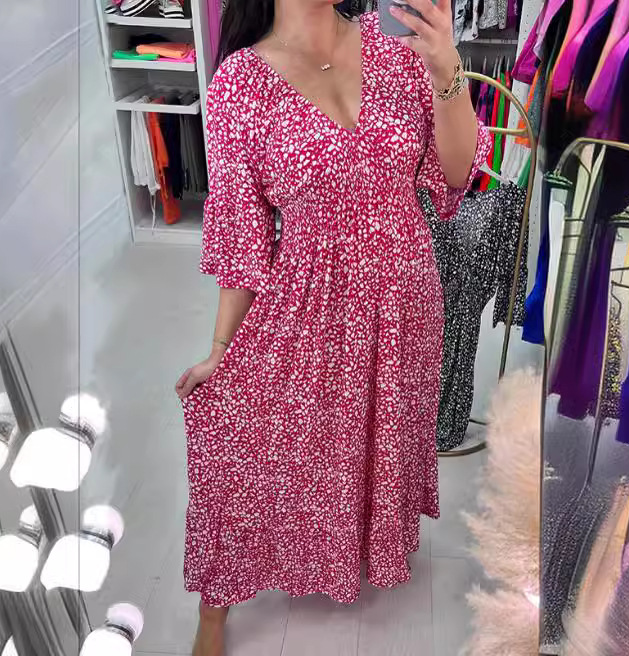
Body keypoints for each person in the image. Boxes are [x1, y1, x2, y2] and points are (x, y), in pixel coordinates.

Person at [175, 1, 490, 654]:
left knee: (378, 435)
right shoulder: (240, 84)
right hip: (309, 299)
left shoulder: (398, 51)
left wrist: (447, 70)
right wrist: (221, 351)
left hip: (405, 302)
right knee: (251, 440)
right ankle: (215, 604)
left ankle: (363, 544)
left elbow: (457, 175)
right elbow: (241, 238)